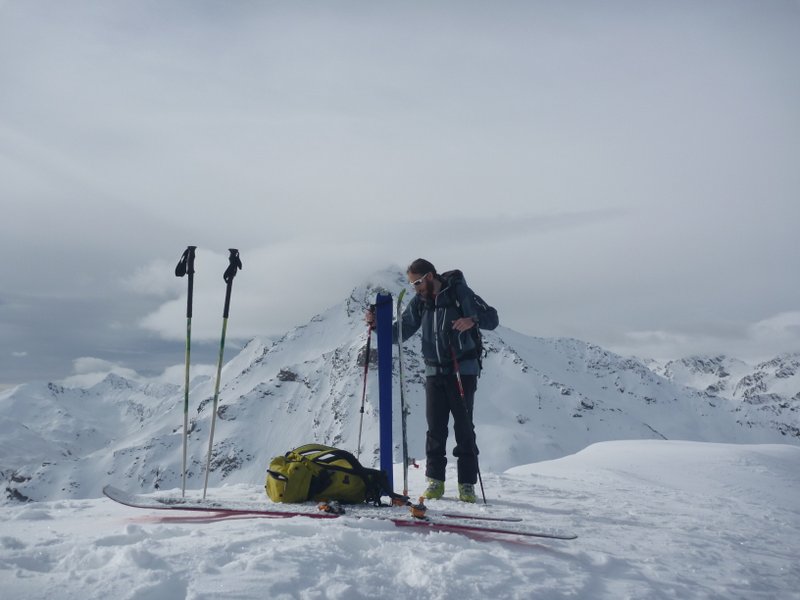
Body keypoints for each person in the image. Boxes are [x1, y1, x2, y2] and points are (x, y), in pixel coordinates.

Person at [366, 259, 498, 502]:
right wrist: (377, 327)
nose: (415, 288)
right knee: (435, 429)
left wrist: (472, 320)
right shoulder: (421, 302)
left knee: (464, 427)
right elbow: (401, 332)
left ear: (428, 276)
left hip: (462, 369)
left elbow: (492, 318)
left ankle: (466, 484)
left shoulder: (460, 293)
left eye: (416, 282)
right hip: (433, 371)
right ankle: (435, 482)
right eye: (412, 284)